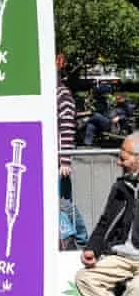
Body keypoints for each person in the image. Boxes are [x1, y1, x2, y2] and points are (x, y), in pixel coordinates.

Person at [75, 133, 139, 296]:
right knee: (85, 278)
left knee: (137, 290)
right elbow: (105, 220)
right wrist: (92, 247)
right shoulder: (122, 186)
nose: (119, 163)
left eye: (124, 158)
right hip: (122, 254)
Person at [57, 74, 88, 250]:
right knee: (63, 204)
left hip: (58, 161)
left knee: (64, 205)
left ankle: (83, 242)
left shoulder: (62, 95)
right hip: (53, 158)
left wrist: (65, 160)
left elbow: (67, 126)